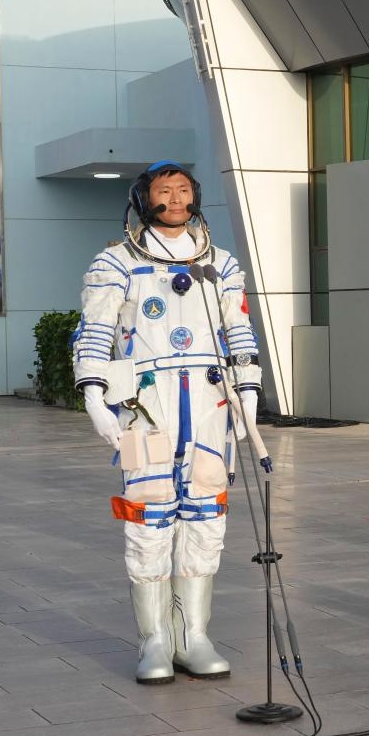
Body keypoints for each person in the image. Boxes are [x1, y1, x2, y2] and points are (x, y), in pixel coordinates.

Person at [72, 161, 262, 683]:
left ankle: (193, 636)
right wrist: (93, 395)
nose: (175, 198)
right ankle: (154, 641)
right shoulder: (115, 263)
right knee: (149, 518)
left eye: (183, 190)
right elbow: (94, 330)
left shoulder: (220, 264)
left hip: (207, 406)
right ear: (143, 198)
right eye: (164, 190)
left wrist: (247, 391)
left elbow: (238, 330)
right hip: (144, 409)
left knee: (205, 517)